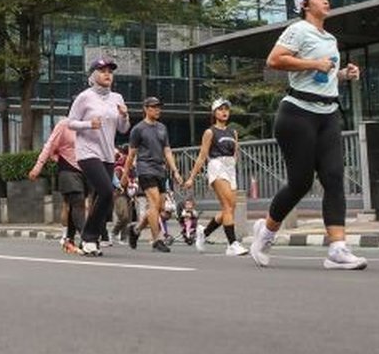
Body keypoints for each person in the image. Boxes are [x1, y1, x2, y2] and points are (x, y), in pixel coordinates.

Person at [251, 0, 366, 270]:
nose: (325, 0)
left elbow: (322, 76)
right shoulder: (298, 29)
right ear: (305, 4)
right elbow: (274, 60)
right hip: (297, 114)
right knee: (300, 183)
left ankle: (338, 248)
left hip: (327, 114)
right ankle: (266, 232)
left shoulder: (330, 38)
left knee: (333, 176)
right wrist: (314, 64)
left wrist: (342, 74)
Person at [65, 57, 130, 256]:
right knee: (106, 190)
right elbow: (70, 122)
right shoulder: (85, 97)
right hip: (87, 153)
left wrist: (125, 116)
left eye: (110, 71)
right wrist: (88, 124)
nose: (107, 74)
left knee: (104, 197)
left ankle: (88, 236)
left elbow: (123, 129)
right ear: (93, 75)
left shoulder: (117, 98)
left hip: (107, 154)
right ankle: (89, 237)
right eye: (102, 71)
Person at [120, 96, 183, 253]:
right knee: (154, 203)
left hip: (160, 170)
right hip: (145, 169)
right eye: (154, 107)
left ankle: (136, 229)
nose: (157, 110)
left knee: (160, 207)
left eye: (158, 107)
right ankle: (157, 239)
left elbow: (167, 150)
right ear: (146, 109)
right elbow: (131, 154)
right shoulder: (138, 129)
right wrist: (125, 175)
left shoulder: (162, 128)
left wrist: (175, 170)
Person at [184, 98, 247, 256]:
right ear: (214, 113)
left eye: (226, 109)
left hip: (230, 168)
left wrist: (233, 165)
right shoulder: (210, 132)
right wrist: (192, 177)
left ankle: (203, 233)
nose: (224, 112)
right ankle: (232, 244)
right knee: (227, 206)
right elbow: (202, 156)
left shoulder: (233, 132)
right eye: (220, 109)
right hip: (217, 166)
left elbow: (236, 153)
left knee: (230, 208)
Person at [30, 116, 86, 254]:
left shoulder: (88, 125)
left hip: (87, 171)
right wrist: (38, 166)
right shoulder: (64, 125)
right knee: (77, 202)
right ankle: (88, 239)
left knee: (77, 206)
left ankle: (69, 239)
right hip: (68, 170)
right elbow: (49, 145)